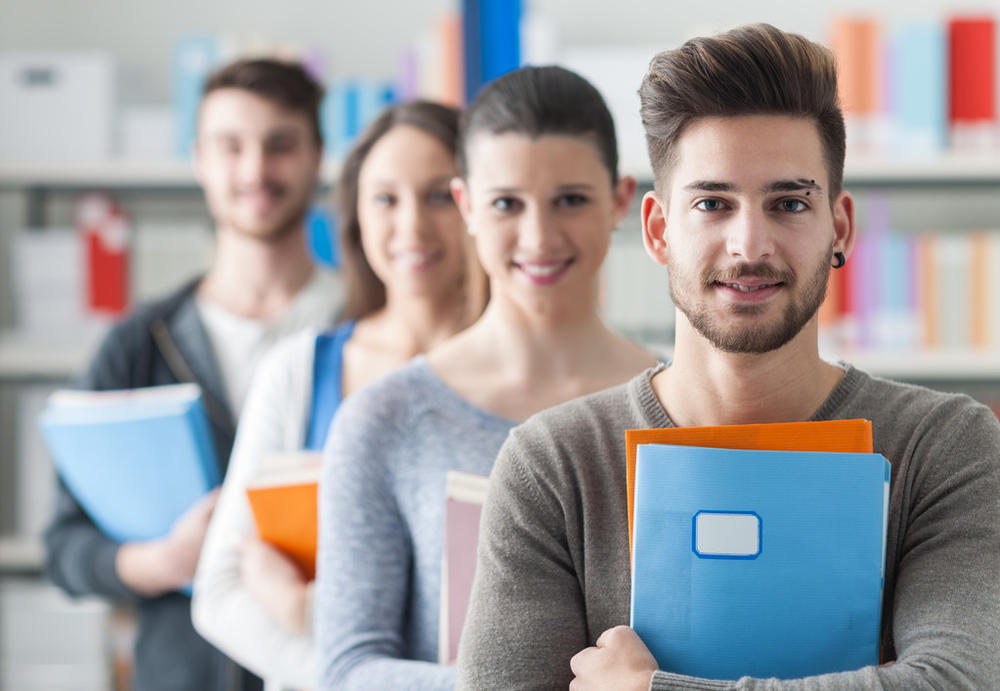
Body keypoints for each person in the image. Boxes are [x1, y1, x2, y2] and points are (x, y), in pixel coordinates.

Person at [456, 23, 1000, 691]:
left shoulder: (946, 445)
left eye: (790, 203)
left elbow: (956, 682)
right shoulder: (553, 467)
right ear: (658, 230)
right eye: (713, 203)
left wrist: (649, 688)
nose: (749, 244)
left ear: (841, 226)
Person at [315, 65, 659, 690]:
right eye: (507, 203)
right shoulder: (385, 417)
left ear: (619, 200)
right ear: (467, 205)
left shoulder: (685, 406)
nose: (538, 236)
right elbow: (346, 669)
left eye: (571, 200)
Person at [44, 57, 342, 691]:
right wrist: (157, 562)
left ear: (318, 156)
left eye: (280, 145)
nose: (255, 170)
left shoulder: (366, 330)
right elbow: (63, 544)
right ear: (199, 160)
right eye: (230, 147)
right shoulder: (138, 343)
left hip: (331, 665)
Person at [192, 100, 485, 690]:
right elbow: (221, 593)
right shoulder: (298, 371)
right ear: (353, 214)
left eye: (437, 195)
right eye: (385, 199)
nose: (412, 227)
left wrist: (307, 613)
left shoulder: (525, 374)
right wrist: (346, 673)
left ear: (478, 204)